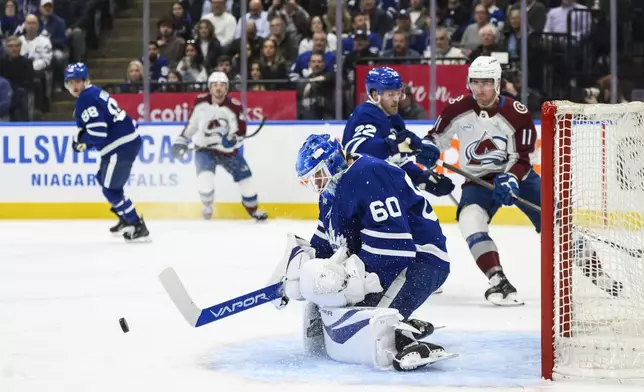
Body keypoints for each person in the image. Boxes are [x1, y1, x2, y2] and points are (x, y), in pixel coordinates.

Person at [268, 134, 456, 371]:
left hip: (421, 259)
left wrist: (352, 280)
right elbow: (326, 244)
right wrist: (296, 272)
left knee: (368, 327)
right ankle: (400, 320)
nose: (316, 184)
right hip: (388, 260)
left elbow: (395, 247)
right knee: (334, 309)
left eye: (318, 175)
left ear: (334, 162)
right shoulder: (331, 191)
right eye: (310, 180)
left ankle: (401, 334)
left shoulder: (367, 174)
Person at [416, 56, 537, 306]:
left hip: (517, 178)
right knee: (469, 220)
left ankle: (594, 267)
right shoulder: (457, 108)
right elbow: (436, 138)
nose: (481, 89)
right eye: (475, 82)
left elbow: (523, 158)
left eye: (487, 82)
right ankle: (498, 280)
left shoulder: (516, 113)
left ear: (498, 83)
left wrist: (511, 178)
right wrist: (428, 148)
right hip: (477, 179)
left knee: (556, 220)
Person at [65, 63, 149, 241]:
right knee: (102, 179)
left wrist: (80, 139)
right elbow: (102, 129)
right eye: (70, 82)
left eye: (78, 81)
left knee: (111, 189)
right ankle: (125, 218)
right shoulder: (93, 92)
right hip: (123, 142)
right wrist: (85, 142)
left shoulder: (85, 99)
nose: (74, 86)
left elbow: (98, 132)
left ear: (85, 80)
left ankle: (136, 225)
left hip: (120, 145)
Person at [342, 66, 454, 197]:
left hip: (382, 189)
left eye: (398, 93)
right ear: (374, 95)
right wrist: (395, 145)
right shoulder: (367, 113)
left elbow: (398, 161)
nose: (396, 99)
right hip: (360, 192)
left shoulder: (395, 119)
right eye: (390, 94)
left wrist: (422, 178)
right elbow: (354, 151)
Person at [171, 71, 268, 221]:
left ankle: (253, 210)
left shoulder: (234, 106)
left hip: (228, 152)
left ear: (227, 88)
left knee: (246, 180)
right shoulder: (200, 102)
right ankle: (207, 205)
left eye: (222, 85)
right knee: (205, 180)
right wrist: (181, 141)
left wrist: (233, 139)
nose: (218, 88)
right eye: (215, 85)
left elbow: (241, 131)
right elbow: (191, 126)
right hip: (205, 150)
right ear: (209, 87)